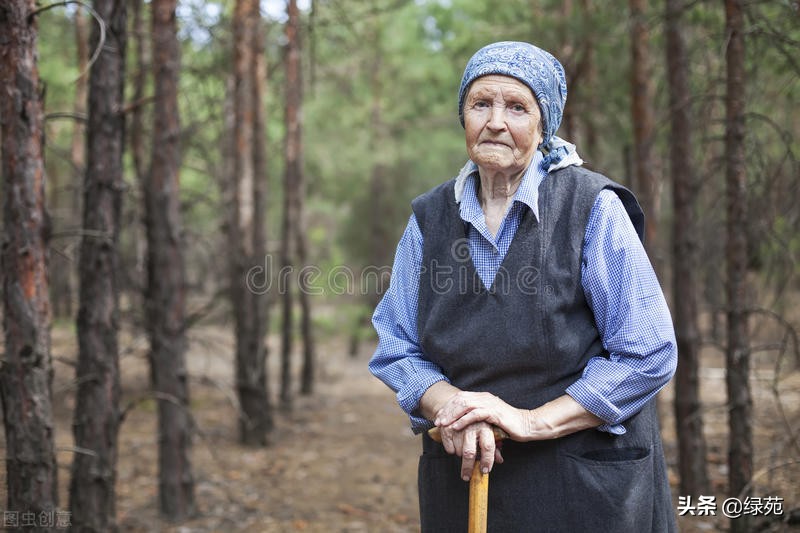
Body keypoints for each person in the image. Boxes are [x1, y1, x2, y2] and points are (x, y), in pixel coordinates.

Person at [368, 41, 677, 531]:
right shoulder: (430, 220)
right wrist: (453, 408)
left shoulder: (590, 207)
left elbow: (647, 352)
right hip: (465, 478)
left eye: (516, 107)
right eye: (480, 104)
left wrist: (530, 421)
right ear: (463, 116)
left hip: (584, 486)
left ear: (543, 123)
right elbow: (396, 346)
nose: (495, 121)